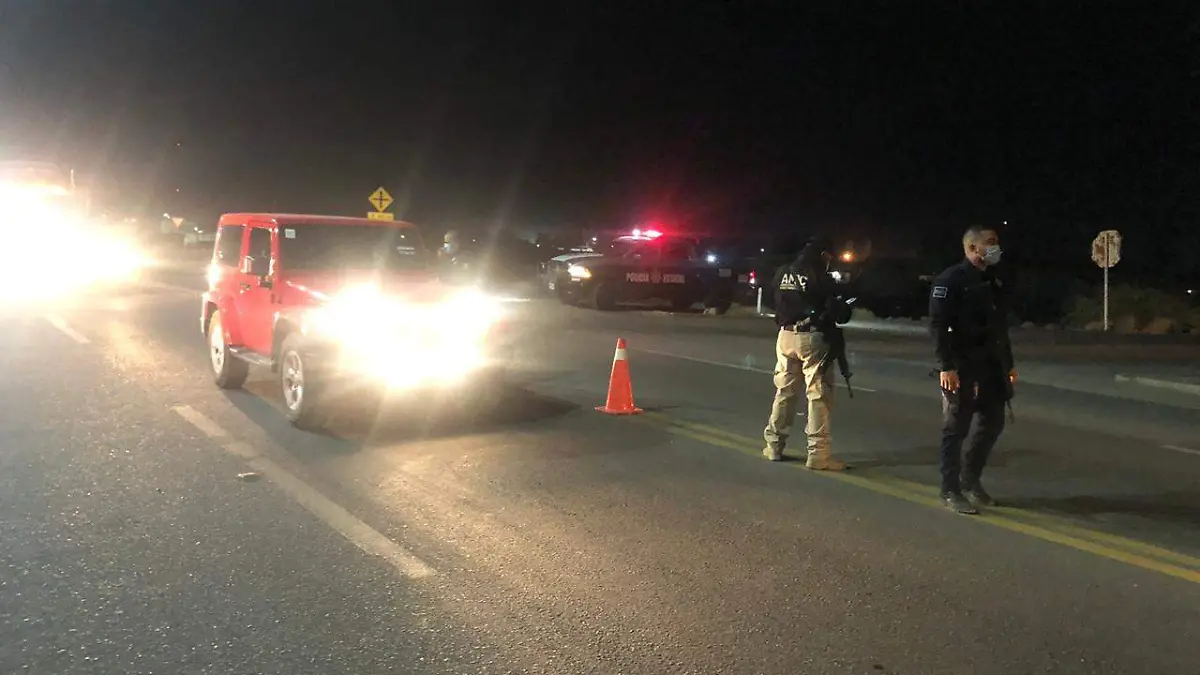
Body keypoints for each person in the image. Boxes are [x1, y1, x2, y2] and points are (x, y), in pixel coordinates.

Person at [929, 225, 1017, 514]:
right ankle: (949, 489)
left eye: (996, 242)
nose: (995, 247)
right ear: (972, 248)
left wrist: (1008, 364)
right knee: (956, 429)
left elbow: (1000, 328)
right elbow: (938, 326)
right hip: (962, 365)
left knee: (993, 423)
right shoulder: (951, 280)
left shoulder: (993, 280)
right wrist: (946, 366)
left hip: (991, 366)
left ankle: (970, 481)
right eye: (990, 242)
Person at [762, 235, 850, 470]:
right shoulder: (819, 274)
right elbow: (837, 311)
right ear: (823, 255)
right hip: (812, 338)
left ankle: (774, 446)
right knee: (819, 396)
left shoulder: (783, 271)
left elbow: (771, 300)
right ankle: (818, 455)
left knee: (784, 392)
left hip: (785, 336)